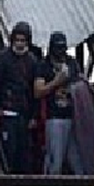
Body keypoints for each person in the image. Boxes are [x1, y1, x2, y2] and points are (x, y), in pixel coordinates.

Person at [0, 22, 42, 174]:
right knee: (7, 150)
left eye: (23, 40)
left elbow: (34, 92)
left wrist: (33, 116)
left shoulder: (32, 61)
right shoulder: (3, 58)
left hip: (23, 114)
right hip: (6, 112)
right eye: (17, 40)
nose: (19, 44)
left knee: (23, 151)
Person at [35, 33, 85, 176]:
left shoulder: (72, 63)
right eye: (57, 48)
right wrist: (57, 81)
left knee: (77, 159)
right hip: (54, 117)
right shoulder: (44, 65)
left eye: (63, 47)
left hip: (74, 117)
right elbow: (37, 91)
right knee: (54, 159)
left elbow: (80, 82)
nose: (60, 51)